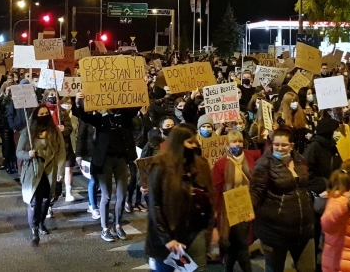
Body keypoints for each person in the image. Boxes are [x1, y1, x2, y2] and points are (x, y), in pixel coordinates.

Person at [145, 125, 215, 271]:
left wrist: (213, 227)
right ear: (178, 143)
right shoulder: (160, 166)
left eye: (195, 142)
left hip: (196, 232)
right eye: (190, 142)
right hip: (169, 235)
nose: (194, 146)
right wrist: (167, 239)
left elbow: (209, 198)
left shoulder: (201, 164)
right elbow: (155, 205)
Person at [250, 127, 318, 272]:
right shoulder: (264, 164)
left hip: (303, 230)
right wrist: (246, 208)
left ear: (291, 145)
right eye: (276, 145)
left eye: (284, 145)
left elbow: (306, 185)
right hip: (275, 232)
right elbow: (256, 191)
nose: (280, 148)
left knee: (308, 268)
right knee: (275, 269)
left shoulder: (299, 160)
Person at [74, 95, 137, 242]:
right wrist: (77, 102)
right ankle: (105, 229)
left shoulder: (124, 117)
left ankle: (117, 225)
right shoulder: (101, 119)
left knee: (122, 195)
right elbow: (83, 116)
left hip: (121, 159)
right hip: (104, 161)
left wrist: (142, 88)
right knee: (106, 195)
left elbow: (136, 107)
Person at [212, 130, 262, 272]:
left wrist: (269, 136)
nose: (237, 144)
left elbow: (266, 151)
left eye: (239, 141)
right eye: (234, 141)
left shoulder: (250, 156)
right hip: (228, 209)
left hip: (246, 205)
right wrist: (216, 213)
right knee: (240, 243)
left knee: (237, 243)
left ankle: (228, 268)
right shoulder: (221, 164)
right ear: (227, 145)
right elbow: (216, 190)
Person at [16, 105, 66, 245]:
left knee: (46, 201)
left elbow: (61, 151)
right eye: (41, 113)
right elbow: (19, 152)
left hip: (49, 171)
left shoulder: (55, 131)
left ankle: (42, 221)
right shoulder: (27, 132)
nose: (43, 116)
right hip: (33, 171)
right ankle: (34, 228)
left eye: (46, 113)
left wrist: (60, 171)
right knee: (34, 202)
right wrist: (28, 154)